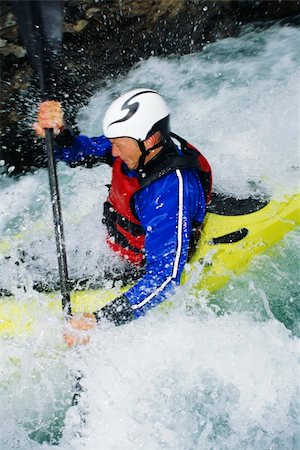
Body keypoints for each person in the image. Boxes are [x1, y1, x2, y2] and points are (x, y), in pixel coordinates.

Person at [34, 88, 212, 346]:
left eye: (118, 145)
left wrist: (99, 320)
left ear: (149, 141)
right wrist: (60, 135)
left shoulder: (170, 193)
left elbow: (165, 277)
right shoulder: (134, 146)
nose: (113, 152)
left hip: (139, 263)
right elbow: (80, 153)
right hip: (113, 245)